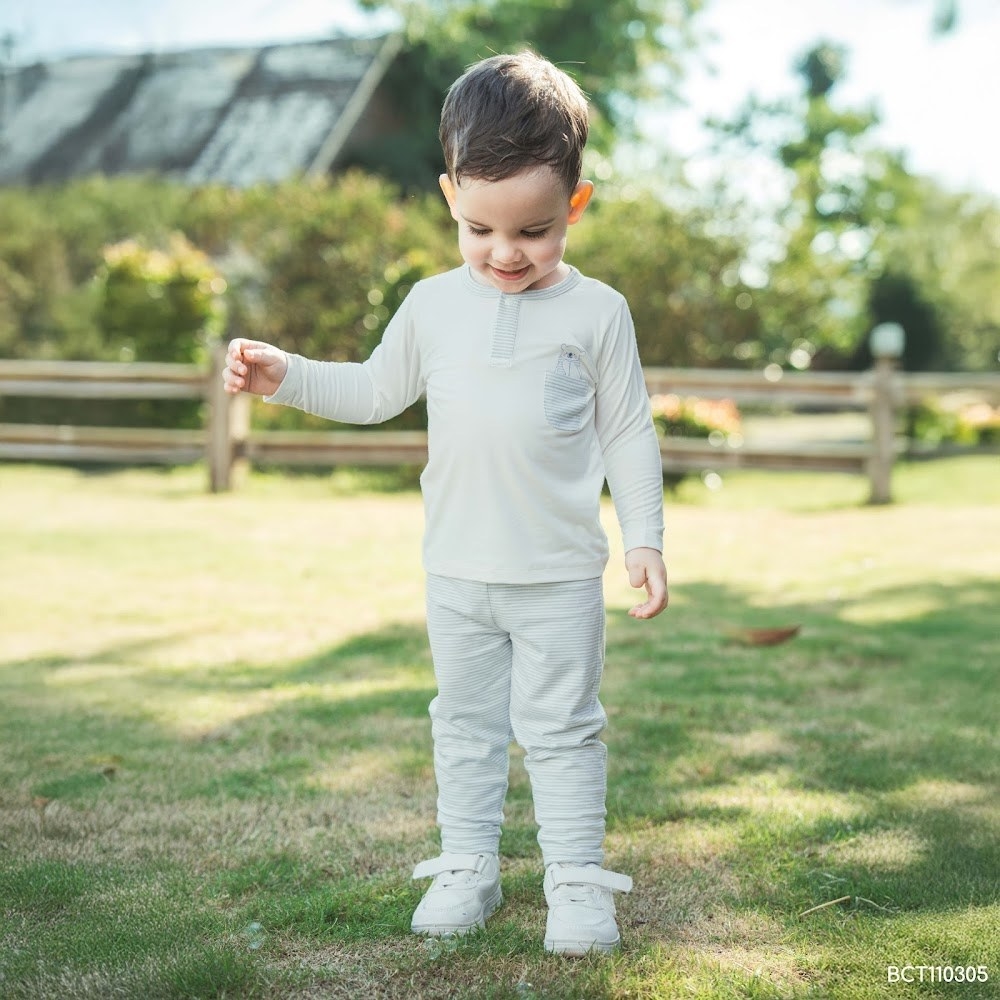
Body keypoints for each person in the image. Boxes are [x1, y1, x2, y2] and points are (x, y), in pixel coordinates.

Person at [222, 50, 669, 956]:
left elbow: (628, 431)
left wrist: (645, 539)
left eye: (535, 231)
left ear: (576, 205)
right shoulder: (431, 306)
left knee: (563, 729)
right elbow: (372, 391)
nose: (506, 253)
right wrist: (285, 376)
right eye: (480, 229)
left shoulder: (599, 314)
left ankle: (576, 880)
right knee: (464, 726)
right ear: (449, 197)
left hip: (557, 576)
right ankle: (468, 865)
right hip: (457, 573)